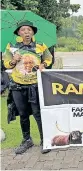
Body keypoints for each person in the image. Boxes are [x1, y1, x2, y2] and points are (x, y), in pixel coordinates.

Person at [2, 20, 53, 154]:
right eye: (23, 30)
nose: (26, 32)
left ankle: (44, 140)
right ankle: (27, 140)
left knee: (38, 114)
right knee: (23, 114)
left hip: (35, 85)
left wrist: (44, 65)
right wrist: (14, 60)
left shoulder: (40, 46)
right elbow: (7, 64)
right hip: (17, 86)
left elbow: (48, 58)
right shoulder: (12, 47)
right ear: (19, 32)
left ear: (33, 32)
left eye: (29, 30)